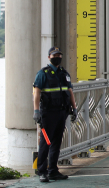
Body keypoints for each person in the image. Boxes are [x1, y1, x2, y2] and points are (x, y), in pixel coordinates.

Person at [32, 47, 78, 183]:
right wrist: (36, 111)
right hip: (48, 114)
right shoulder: (43, 73)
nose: (57, 57)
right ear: (49, 57)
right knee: (46, 142)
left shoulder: (64, 73)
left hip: (61, 113)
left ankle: (53, 171)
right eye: (54, 55)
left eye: (59, 55)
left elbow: (69, 91)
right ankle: (42, 172)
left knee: (56, 143)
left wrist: (74, 108)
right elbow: (37, 93)